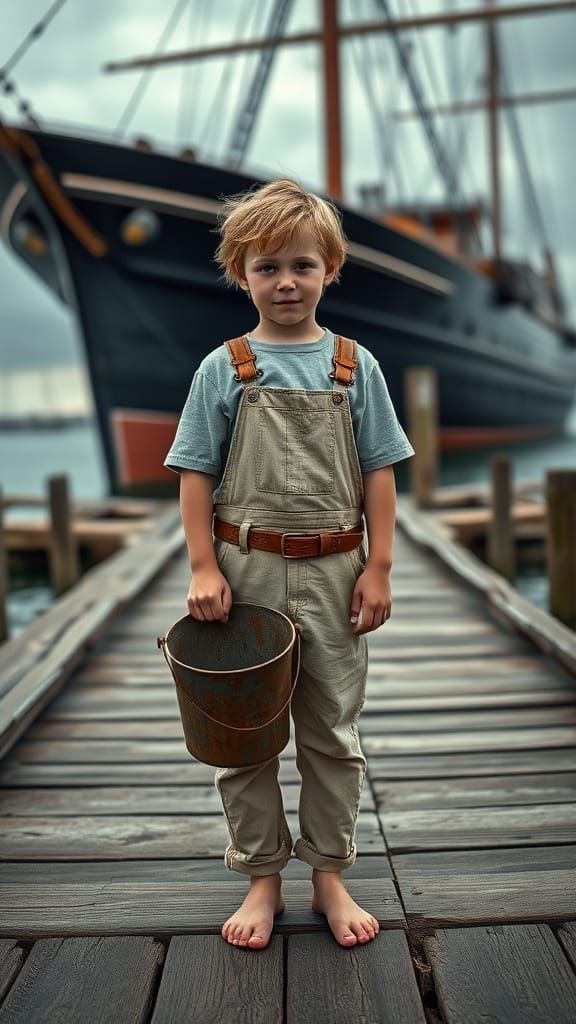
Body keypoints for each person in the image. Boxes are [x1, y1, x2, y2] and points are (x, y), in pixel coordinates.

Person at [164, 178, 415, 951]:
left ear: (330, 270)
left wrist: (380, 569)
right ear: (241, 274)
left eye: (302, 265)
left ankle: (330, 872)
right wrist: (204, 566)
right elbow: (195, 473)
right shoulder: (226, 368)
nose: (286, 282)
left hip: (338, 570)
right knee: (244, 734)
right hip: (247, 575)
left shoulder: (354, 365)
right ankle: (263, 874)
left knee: (332, 731)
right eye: (267, 267)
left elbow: (379, 471)